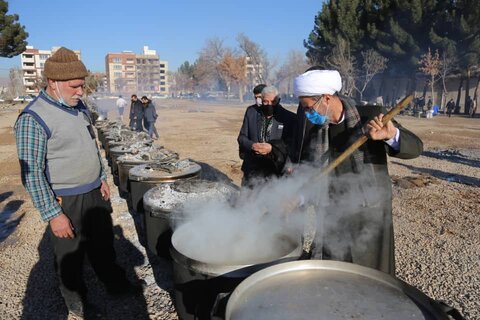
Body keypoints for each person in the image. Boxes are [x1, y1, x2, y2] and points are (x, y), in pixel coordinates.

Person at [14, 47, 140, 317]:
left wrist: (101, 178)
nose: (81, 92)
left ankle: (115, 284)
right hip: (65, 200)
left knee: (104, 245)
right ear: (53, 83)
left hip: (94, 192)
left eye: (82, 85)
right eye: (75, 86)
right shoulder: (32, 119)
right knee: (70, 256)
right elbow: (32, 173)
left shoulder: (79, 107)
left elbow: (91, 144)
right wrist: (53, 214)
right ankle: (75, 300)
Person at [292, 69, 423, 276]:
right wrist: (298, 197)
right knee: (336, 276)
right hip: (333, 216)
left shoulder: (371, 117)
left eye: (309, 108)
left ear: (326, 98)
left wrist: (391, 135)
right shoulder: (317, 132)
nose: (308, 114)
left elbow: (416, 147)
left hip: (370, 215)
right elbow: (312, 175)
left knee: (370, 277)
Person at [237, 85, 296, 187]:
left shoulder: (289, 118)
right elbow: (242, 137)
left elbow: (291, 145)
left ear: (278, 100)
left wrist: (272, 148)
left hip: (275, 172)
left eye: (273, 102)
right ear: (261, 100)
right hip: (252, 169)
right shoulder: (251, 112)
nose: (269, 105)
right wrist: (252, 145)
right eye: (265, 101)